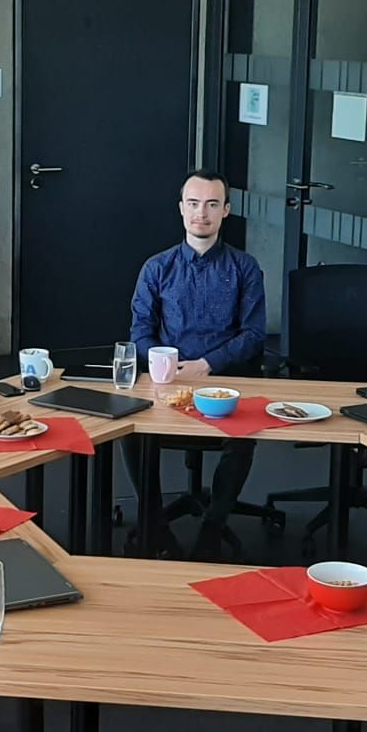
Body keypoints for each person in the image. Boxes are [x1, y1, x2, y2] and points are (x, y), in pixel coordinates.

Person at [126, 170, 266, 560]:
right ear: (181, 209)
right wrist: (162, 364)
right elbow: (140, 329)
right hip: (165, 384)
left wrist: (207, 364)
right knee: (129, 433)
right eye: (193, 203)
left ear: (226, 211)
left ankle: (213, 526)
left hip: (224, 383)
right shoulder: (157, 267)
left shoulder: (244, 268)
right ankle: (157, 527)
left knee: (241, 439)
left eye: (210, 204)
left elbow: (254, 334)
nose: (200, 213)